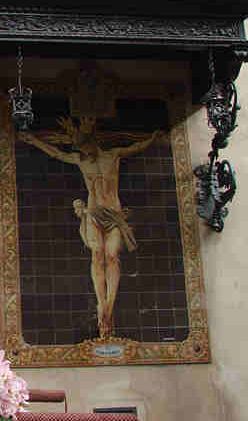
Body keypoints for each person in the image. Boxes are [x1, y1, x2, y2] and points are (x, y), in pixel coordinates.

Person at [20, 119, 162, 338]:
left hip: (113, 214)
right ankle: (101, 304)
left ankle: (109, 306)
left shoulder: (112, 155)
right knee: (97, 255)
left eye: (85, 147)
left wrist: (153, 138)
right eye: (80, 149)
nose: (84, 152)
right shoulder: (80, 160)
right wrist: (34, 141)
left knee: (112, 256)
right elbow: (56, 153)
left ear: (92, 141)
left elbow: (136, 147)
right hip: (93, 214)